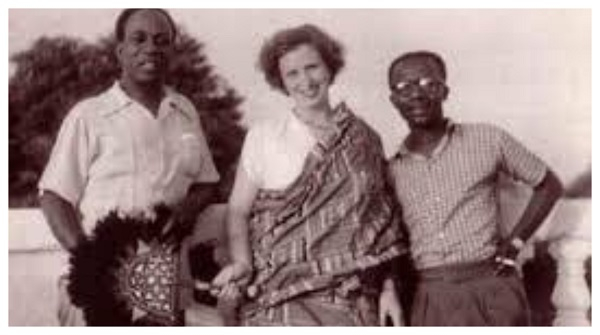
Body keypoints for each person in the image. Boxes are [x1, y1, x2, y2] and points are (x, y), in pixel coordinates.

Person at [210, 24, 408, 326]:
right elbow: (238, 210)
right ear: (281, 82)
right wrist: (242, 262)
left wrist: (389, 289)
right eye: (292, 74)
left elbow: (383, 228)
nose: (305, 81)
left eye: (312, 67)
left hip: (352, 299)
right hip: (277, 296)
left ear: (329, 67)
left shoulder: (364, 139)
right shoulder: (264, 137)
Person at [38, 8, 219, 326]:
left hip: (166, 278)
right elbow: (53, 196)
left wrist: (187, 209)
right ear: (120, 51)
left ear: (172, 51)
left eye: (162, 41)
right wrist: (91, 262)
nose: (151, 48)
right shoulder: (89, 115)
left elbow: (207, 182)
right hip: (100, 281)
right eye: (139, 39)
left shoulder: (185, 111)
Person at [386, 50, 563, 326]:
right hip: (432, 295)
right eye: (404, 87)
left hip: (492, 287)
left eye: (427, 83)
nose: (417, 94)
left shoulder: (487, 139)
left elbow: (549, 185)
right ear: (394, 100)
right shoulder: (392, 169)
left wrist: (515, 243)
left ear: (445, 91)